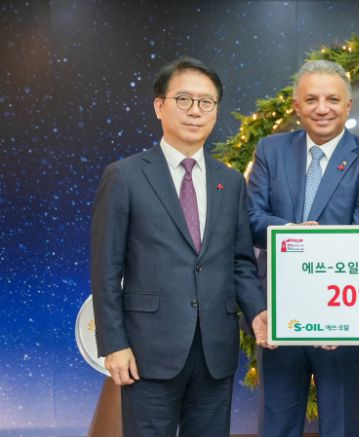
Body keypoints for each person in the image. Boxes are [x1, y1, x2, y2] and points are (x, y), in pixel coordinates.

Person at [90, 57, 266, 437]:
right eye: (184, 99)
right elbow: (106, 269)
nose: (195, 111)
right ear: (160, 106)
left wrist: (256, 312)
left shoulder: (230, 182)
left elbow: (239, 262)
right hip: (147, 352)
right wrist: (114, 344)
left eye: (206, 102)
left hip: (215, 352)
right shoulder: (124, 176)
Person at [247, 59, 359, 437]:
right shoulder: (270, 150)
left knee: (340, 426)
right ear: (297, 106)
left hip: (343, 317)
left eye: (332, 99)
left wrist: (332, 314)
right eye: (311, 99)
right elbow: (251, 219)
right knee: (277, 425)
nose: (322, 108)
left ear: (348, 105)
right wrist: (291, 233)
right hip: (279, 313)